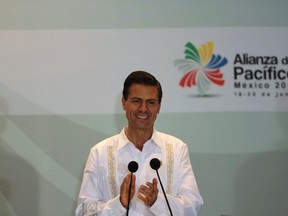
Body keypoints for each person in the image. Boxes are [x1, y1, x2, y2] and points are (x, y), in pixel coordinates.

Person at [75, 71, 203, 215]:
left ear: (159, 106)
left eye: (151, 102)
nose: (143, 109)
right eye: (136, 101)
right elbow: (84, 211)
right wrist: (119, 204)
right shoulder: (100, 152)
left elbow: (193, 205)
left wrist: (158, 202)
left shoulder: (177, 149)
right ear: (124, 103)